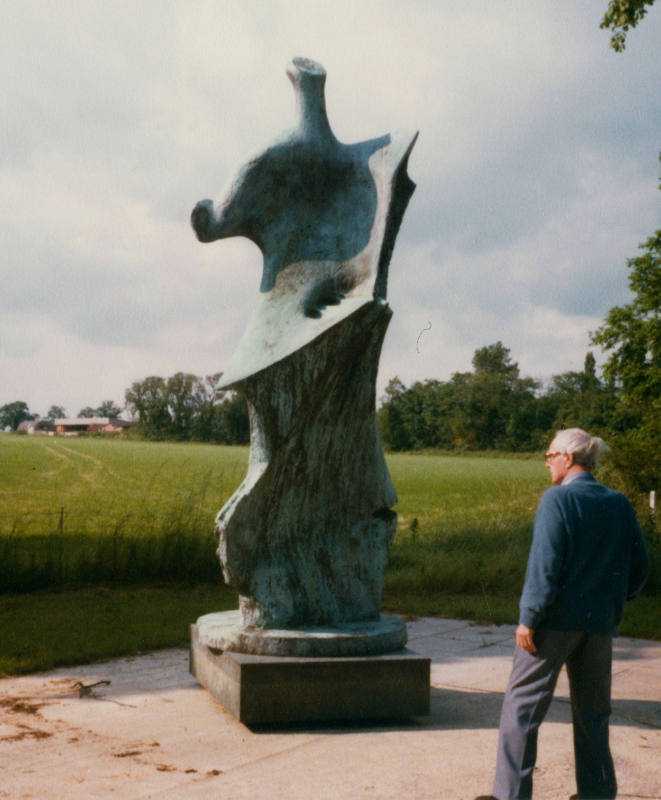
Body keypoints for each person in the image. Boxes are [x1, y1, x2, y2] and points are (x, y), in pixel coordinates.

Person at [475, 428, 650, 800]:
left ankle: (510, 795)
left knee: (521, 709)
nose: (547, 462)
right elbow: (640, 566)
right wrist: (615, 599)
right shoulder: (619, 503)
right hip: (601, 625)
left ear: (568, 458)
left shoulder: (558, 500)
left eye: (549, 455)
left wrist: (529, 617)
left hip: (553, 625)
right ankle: (598, 793)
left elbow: (545, 564)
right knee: (593, 713)